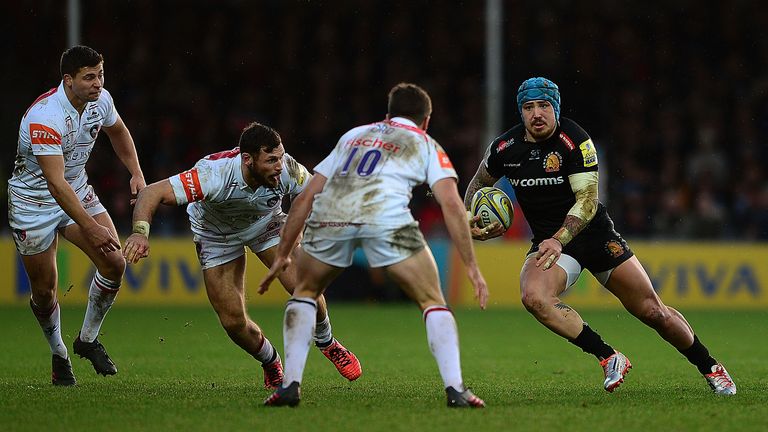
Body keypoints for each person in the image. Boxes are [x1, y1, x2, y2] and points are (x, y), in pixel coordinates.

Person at [464, 77, 736, 395]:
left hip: (593, 235)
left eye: (543, 106)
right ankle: (608, 357)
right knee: (534, 297)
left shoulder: (575, 141)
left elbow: (588, 201)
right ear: (520, 112)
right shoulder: (504, 148)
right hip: (551, 243)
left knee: (653, 311)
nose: (536, 114)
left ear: (556, 108)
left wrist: (559, 238)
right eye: (528, 107)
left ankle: (711, 367)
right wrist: (472, 219)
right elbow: (476, 187)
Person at [259, 83, 489, 408]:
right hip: (386, 218)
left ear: (387, 115)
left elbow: (306, 197)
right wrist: (472, 267)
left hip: (332, 215)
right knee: (431, 299)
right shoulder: (424, 142)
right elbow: (451, 203)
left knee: (305, 292)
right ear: (425, 120)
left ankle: (290, 386)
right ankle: (456, 390)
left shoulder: (353, 135)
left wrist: (283, 255)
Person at [122, 122, 362, 389]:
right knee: (233, 321)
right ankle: (270, 361)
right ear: (247, 160)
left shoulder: (289, 170)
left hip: (267, 226)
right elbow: (151, 192)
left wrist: (298, 232)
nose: (279, 166)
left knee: (304, 286)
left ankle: (327, 342)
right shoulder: (213, 175)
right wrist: (140, 233)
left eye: (281, 157)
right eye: (271, 160)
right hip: (216, 237)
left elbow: (311, 196)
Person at [8, 45, 146, 385]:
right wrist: (90, 227)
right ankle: (59, 354)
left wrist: (136, 171)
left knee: (114, 263)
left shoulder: (102, 100)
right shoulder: (45, 117)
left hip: (76, 189)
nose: (97, 83)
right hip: (33, 203)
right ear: (68, 80)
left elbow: (119, 132)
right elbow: (54, 185)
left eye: (100, 75)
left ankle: (86, 340)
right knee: (44, 291)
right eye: (89, 77)